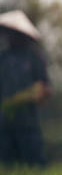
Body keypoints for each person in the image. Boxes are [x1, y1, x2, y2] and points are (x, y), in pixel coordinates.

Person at [0, 10, 52, 165]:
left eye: (13, 32)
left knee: (34, 167)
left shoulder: (34, 57)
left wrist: (37, 93)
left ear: (22, 34)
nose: (9, 36)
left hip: (28, 126)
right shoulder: (3, 58)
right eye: (7, 32)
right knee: (7, 171)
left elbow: (47, 86)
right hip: (4, 125)